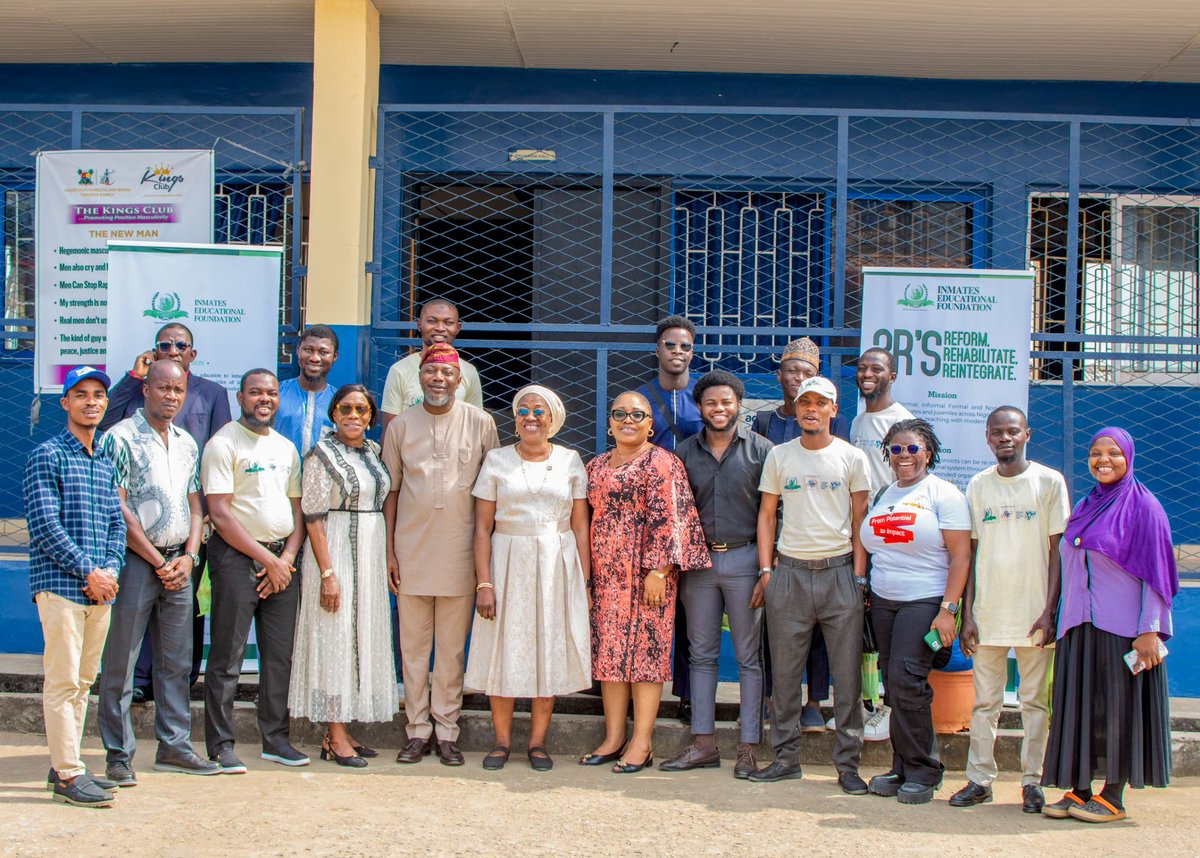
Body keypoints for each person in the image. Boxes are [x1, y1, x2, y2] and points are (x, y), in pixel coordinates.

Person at [1040, 428, 1176, 823]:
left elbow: (1159, 574)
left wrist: (1150, 629)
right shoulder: (1086, 504)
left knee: (1118, 710)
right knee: (1079, 706)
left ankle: (1112, 795)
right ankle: (1079, 789)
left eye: (1114, 453)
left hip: (1123, 630)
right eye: (1096, 453)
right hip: (1078, 625)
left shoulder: (1144, 507)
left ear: (1128, 457)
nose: (1104, 460)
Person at [96, 361, 219, 786]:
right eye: (163, 387)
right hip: (135, 563)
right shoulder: (120, 438)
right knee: (121, 661)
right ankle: (117, 754)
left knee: (176, 662)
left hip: (180, 566)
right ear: (146, 389)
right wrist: (157, 560)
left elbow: (196, 504)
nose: (171, 396)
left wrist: (188, 556)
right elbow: (119, 507)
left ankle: (175, 746)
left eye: (178, 389)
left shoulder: (187, 442)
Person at [749, 377, 870, 794]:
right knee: (783, 675)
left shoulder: (852, 458)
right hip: (791, 575)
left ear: (835, 410)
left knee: (847, 677)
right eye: (805, 403)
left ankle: (849, 764)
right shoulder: (780, 456)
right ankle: (785, 758)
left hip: (839, 575)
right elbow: (767, 516)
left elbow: (861, 522)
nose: (811, 409)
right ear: (796, 409)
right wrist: (768, 572)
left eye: (821, 403)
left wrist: (858, 576)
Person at [100, 321, 232, 702]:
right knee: (132, 628)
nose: (173, 349)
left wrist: (202, 525)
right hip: (138, 544)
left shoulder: (212, 394)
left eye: (181, 345)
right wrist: (132, 377)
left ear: (193, 353)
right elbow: (103, 426)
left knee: (184, 617)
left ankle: (182, 685)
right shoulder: (135, 402)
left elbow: (216, 452)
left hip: (193, 527)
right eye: (165, 344)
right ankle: (141, 683)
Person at [581, 391, 709, 774]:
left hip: (648, 576)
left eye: (637, 414)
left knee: (645, 658)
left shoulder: (662, 462)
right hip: (607, 576)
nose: (628, 420)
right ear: (609, 423)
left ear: (650, 424)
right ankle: (614, 736)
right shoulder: (596, 466)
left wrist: (660, 571)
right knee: (610, 655)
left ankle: (642, 742)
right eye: (619, 413)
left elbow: (674, 517)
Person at [383, 343, 499, 766]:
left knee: (450, 651)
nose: (438, 379)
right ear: (419, 378)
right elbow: (391, 491)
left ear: (460, 381)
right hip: (410, 552)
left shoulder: (482, 423)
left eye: (447, 374)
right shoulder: (400, 427)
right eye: (431, 372)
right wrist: (390, 551)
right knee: (413, 648)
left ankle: (447, 731)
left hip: (460, 554)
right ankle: (416, 730)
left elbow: (491, 496)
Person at [465, 385, 592, 772]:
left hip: (557, 563)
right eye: (523, 410)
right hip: (507, 560)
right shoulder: (496, 460)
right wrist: (484, 583)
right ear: (516, 419)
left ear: (553, 418)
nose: (531, 417)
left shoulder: (571, 461)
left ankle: (537, 743)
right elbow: (482, 527)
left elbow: (581, 527)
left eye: (539, 411)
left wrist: (582, 582)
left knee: (547, 648)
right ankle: (501, 742)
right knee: (504, 647)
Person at [950, 406, 1070, 813]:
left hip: (1035, 613)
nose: (1005, 438)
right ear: (987, 438)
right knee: (985, 704)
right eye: (997, 432)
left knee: (1035, 703)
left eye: (1012, 432)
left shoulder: (1049, 482)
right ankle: (979, 779)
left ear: (1027, 435)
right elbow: (971, 552)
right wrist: (967, 614)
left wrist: (1050, 611)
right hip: (988, 614)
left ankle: (1032, 782)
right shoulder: (978, 485)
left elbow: (1058, 553)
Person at [24, 365, 125, 807]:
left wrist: (111, 571)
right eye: (80, 394)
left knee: (84, 681)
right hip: (61, 586)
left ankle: (66, 764)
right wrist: (89, 570)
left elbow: (116, 523)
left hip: (100, 588)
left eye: (98, 395)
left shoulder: (103, 459)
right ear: (64, 403)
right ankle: (69, 774)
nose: (91, 402)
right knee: (64, 681)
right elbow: (44, 525)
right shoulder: (47, 456)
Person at [664, 371, 772, 778]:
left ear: (739, 405)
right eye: (710, 403)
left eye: (726, 402)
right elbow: (675, 513)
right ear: (700, 408)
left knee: (748, 658)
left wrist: (767, 569)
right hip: (699, 564)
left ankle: (747, 748)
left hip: (747, 560)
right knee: (702, 655)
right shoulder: (684, 453)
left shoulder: (763, 451)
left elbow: (773, 513)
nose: (719, 409)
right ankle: (704, 743)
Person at [202, 369, 308, 773]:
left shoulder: (285, 448)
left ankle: (276, 739)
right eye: (255, 393)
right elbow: (221, 515)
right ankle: (221, 744)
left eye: (271, 393)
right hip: (236, 560)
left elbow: (298, 511)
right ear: (241, 396)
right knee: (227, 657)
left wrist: (286, 560)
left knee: (279, 657)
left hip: (282, 561)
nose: (264, 399)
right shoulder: (223, 443)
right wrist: (269, 562)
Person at [860, 418, 971, 805]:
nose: (904, 456)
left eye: (912, 449)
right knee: (893, 684)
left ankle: (925, 770)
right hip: (884, 601)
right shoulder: (884, 494)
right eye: (896, 449)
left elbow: (960, 557)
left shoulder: (944, 494)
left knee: (908, 681)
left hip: (925, 600)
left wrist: (948, 610)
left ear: (928, 452)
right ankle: (902, 766)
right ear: (887, 454)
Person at [288, 385, 398, 768]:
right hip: (334, 549)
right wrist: (327, 573)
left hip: (367, 550)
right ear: (334, 413)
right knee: (335, 636)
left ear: (371, 417)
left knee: (359, 637)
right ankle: (334, 734)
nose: (354, 415)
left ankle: (343, 729)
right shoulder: (320, 455)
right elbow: (313, 515)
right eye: (346, 408)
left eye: (362, 410)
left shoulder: (372, 452)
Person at [752, 336, 847, 734]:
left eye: (807, 373)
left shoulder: (833, 424)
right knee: (778, 625)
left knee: (821, 630)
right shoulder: (764, 422)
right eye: (792, 370)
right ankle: (774, 696)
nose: (798, 379)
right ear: (779, 376)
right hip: (780, 532)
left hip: (821, 533)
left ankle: (815, 700)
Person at [636, 315, 704, 723]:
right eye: (670, 345)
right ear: (657, 350)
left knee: (692, 611)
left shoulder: (704, 394)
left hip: (698, 511)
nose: (677, 352)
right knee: (649, 606)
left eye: (685, 347)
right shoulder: (642, 399)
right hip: (653, 516)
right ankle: (637, 689)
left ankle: (689, 693)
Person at [848, 346, 913, 741]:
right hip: (858, 532)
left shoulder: (901, 420)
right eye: (862, 368)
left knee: (884, 621)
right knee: (862, 622)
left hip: (889, 535)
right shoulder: (858, 421)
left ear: (892, 376)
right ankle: (868, 703)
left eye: (877, 369)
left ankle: (887, 706)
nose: (867, 374)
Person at [380, 298, 484, 431]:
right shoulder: (399, 370)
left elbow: (475, 425)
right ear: (419, 325)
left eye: (448, 322)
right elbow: (390, 432)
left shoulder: (469, 372)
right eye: (432, 321)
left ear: (458, 328)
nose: (440, 328)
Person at [275, 325, 339, 457]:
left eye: (323, 352)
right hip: (280, 475)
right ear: (298, 351)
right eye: (308, 350)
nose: (314, 358)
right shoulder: (276, 394)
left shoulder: (341, 402)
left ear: (334, 356)